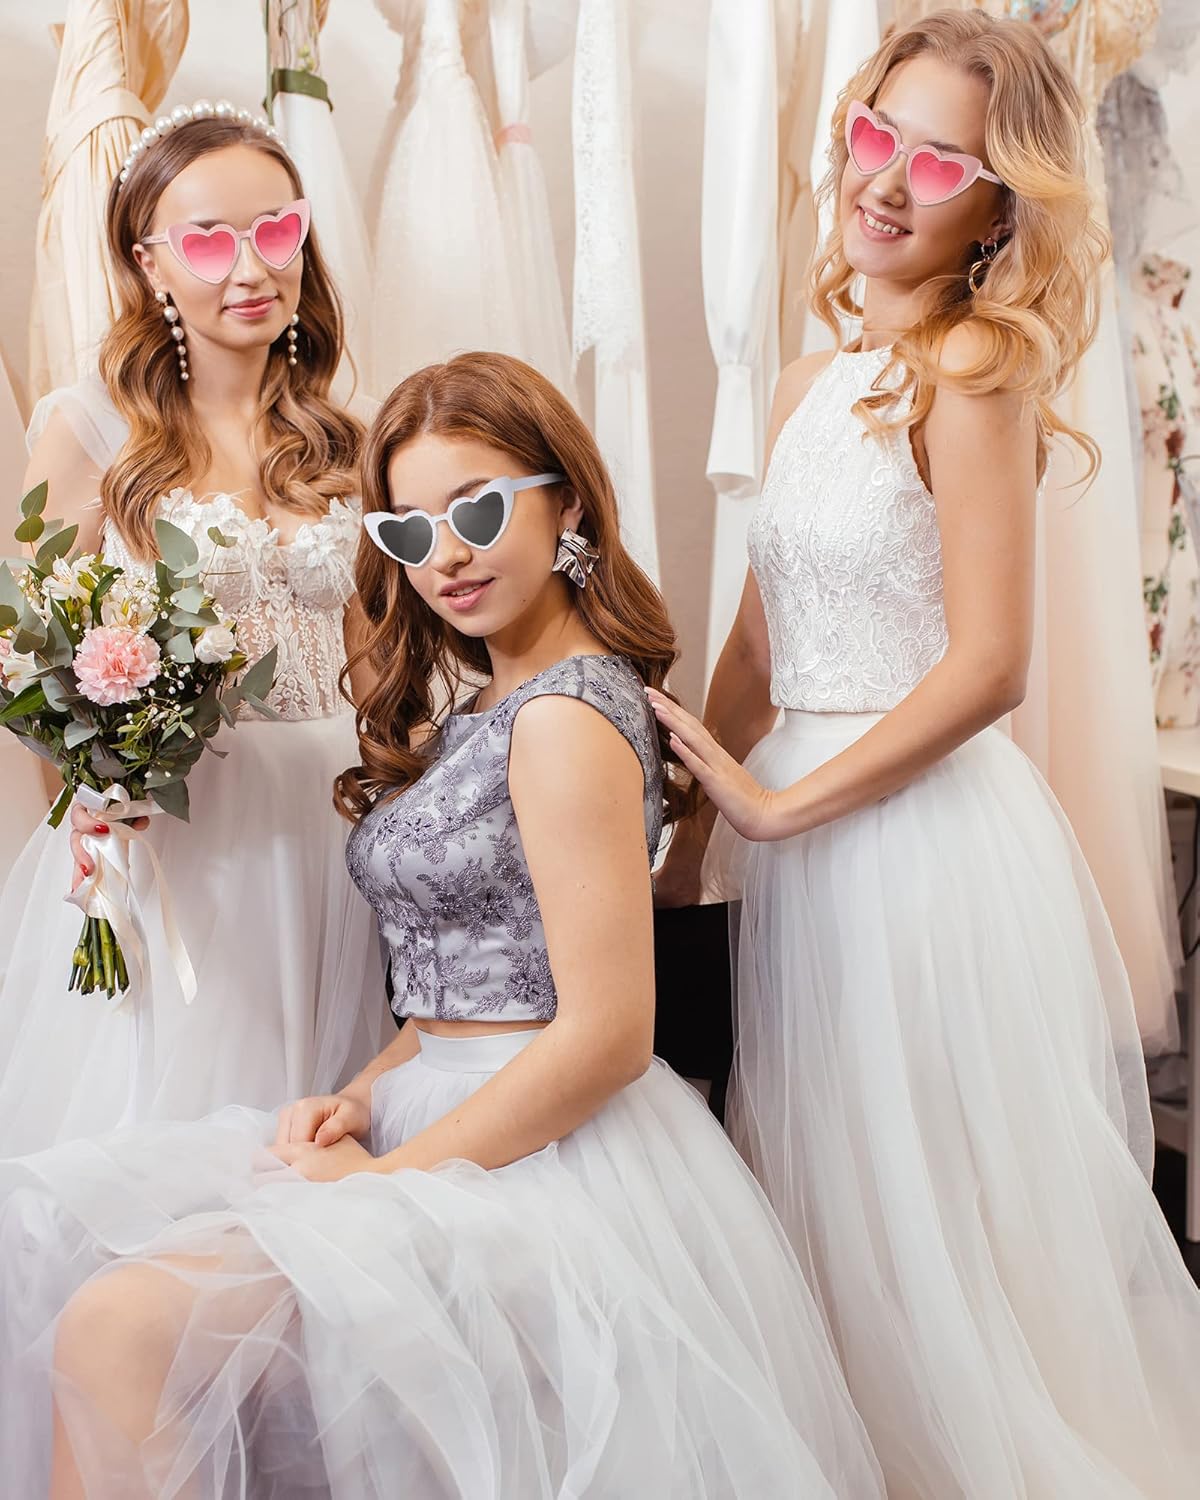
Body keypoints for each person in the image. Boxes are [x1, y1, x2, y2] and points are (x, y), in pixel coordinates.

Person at [0, 352, 884, 1499]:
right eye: (411, 531)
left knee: (118, 1328)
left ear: (567, 502)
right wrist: (365, 1093)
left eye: (476, 511)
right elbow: (464, 986)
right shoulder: (490, 704)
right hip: (445, 1116)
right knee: (93, 1285)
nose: (447, 557)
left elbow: (607, 1034)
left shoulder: (564, 717)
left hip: (544, 1158)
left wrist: (385, 1185)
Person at [651, 12, 1200, 1496]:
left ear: (998, 206)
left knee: (922, 1193)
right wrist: (693, 834)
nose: (887, 181)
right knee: (826, 1170)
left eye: (940, 161)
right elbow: (760, 643)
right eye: (876, 135)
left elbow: (989, 665)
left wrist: (778, 811)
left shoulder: (976, 372)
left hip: (914, 843)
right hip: (800, 838)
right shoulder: (808, 382)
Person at [0, 103, 386, 1153]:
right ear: (150, 262)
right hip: (183, 839)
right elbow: (28, 656)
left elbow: (372, 664)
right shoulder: (93, 431)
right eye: (210, 241)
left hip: (331, 823)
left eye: (277, 231)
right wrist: (91, 800)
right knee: (180, 1128)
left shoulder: (345, 441)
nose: (252, 269)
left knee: (319, 1130)